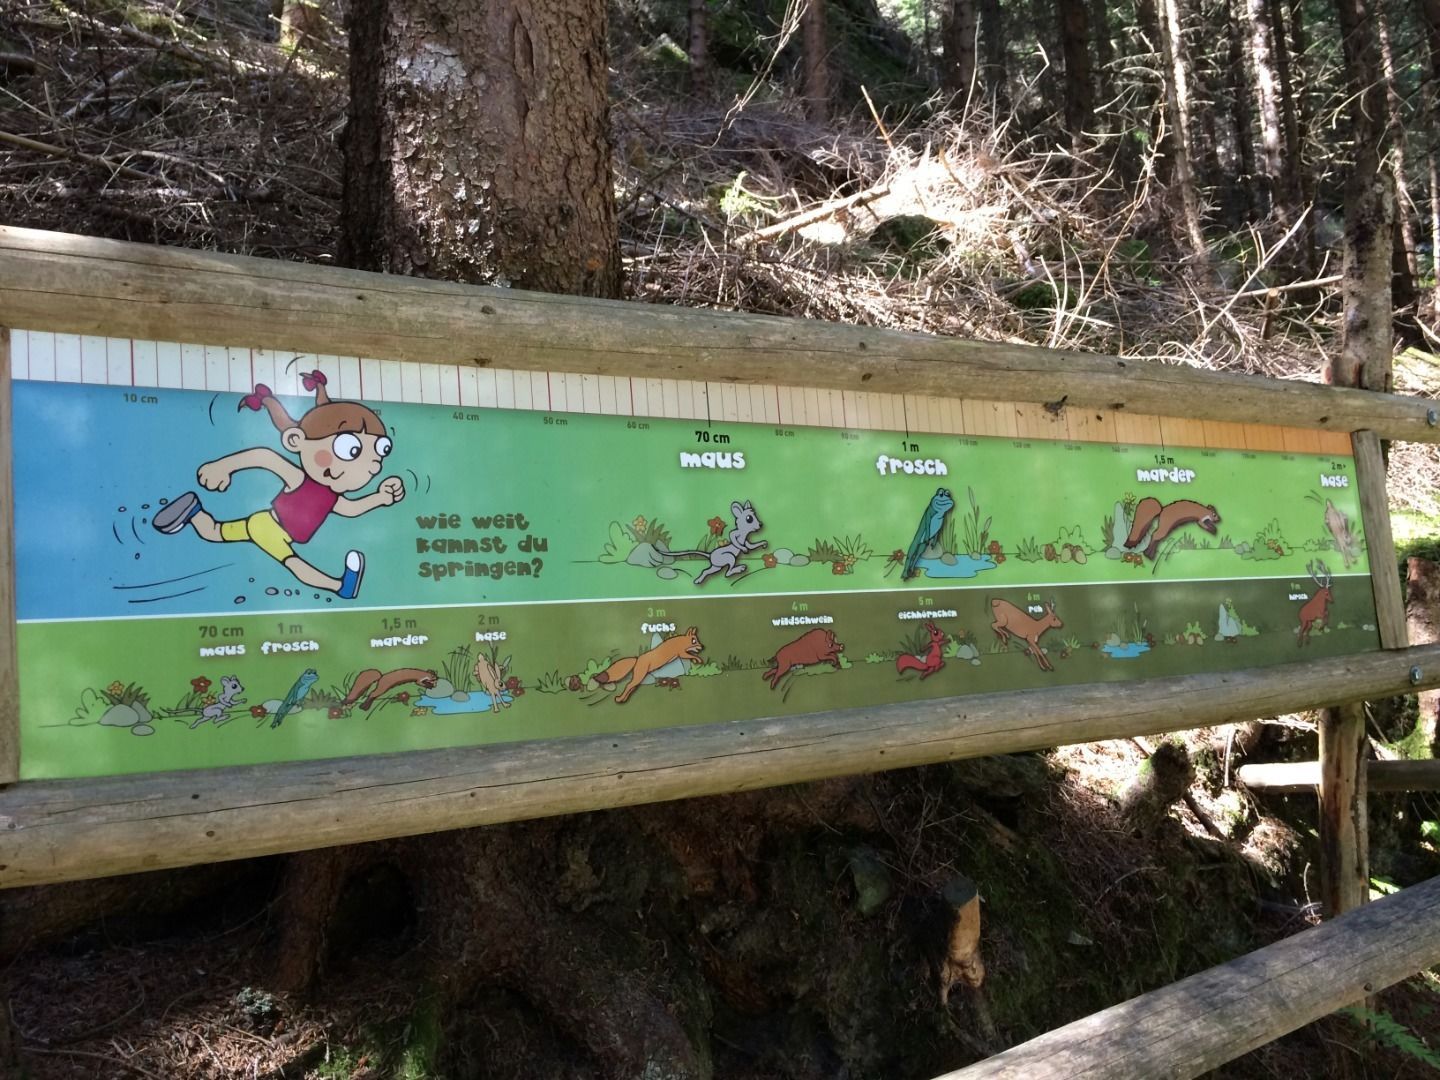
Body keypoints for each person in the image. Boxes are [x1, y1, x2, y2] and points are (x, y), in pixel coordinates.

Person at [153, 371, 404, 599]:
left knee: (215, 532)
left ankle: (194, 511)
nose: (373, 466)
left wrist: (382, 497)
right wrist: (222, 467)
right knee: (295, 565)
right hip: (269, 529)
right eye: (350, 449)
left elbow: (352, 509)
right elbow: (265, 457)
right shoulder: (300, 480)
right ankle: (341, 587)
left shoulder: (333, 498)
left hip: (263, 524)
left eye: (380, 451)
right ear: (296, 441)